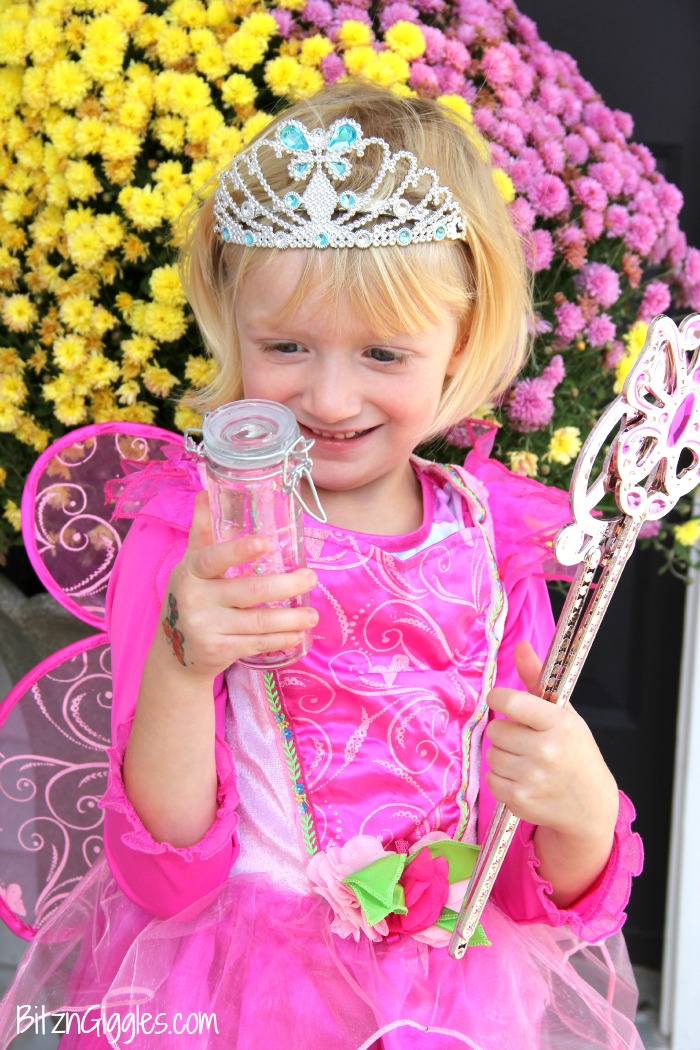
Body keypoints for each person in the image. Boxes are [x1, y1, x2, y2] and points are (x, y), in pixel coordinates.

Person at [0, 82, 644, 1049]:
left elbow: (521, 881)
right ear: (233, 323)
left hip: (448, 1003)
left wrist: (585, 812)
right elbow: (163, 871)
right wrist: (186, 659)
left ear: (459, 343)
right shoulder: (199, 537)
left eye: (384, 352)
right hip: (232, 994)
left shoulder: (490, 542)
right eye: (287, 346)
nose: (329, 398)